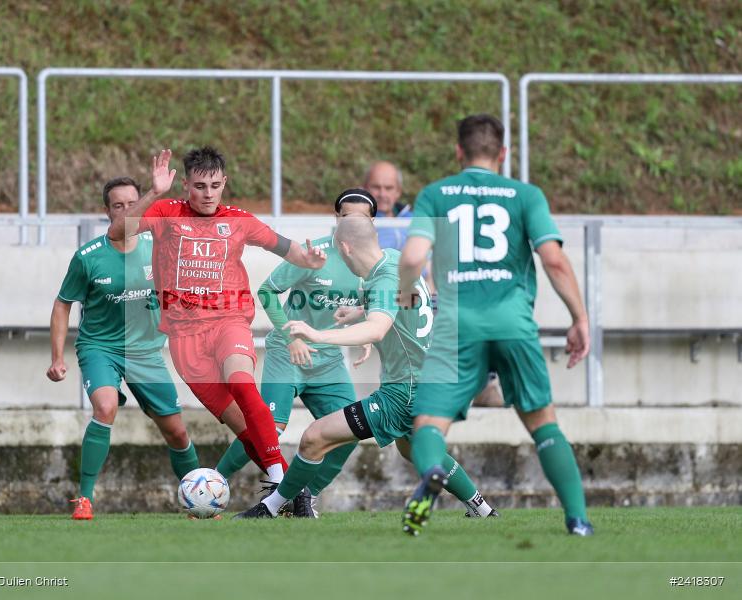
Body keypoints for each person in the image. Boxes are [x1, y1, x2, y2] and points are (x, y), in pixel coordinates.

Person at [398, 114, 593, 536]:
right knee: (542, 421)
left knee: (428, 424)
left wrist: (403, 290)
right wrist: (579, 317)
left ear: (458, 151)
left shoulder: (435, 194)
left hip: (455, 324)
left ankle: (433, 473)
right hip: (512, 322)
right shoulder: (526, 195)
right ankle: (577, 519)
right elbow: (554, 260)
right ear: (503, 154)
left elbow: (413, 258)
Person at [235, 210, 496, 520]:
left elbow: (378, 328)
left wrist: (317, 333)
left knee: (314, 437)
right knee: (412, 449)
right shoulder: (396, 261)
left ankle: (271, 508)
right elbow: (397, 301)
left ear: (344, 247)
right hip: (430, 383)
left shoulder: (384, 278)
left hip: (403, 393)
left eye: (338, 252)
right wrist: (358, 310)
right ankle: (482, 508)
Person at [109, 147, 327, 494]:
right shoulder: (166, 211)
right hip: (184, 339)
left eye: (214, 185)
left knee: (241, 383)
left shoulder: (238, 221)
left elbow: (290, 250)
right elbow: (118, 233)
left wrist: (310, 259)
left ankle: (279, 480)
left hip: (229, 321)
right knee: (243, 427)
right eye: (199, 186)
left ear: (224, 183)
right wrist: (153, 192)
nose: (207, 193)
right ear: (185, 186)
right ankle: (294, 494)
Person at [213, 190, 374, 517]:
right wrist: (292, 338)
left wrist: (367, 333)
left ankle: (303, 497)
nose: (353, 223)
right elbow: (267, 293)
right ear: (337, 219)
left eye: (361, 218)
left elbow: (366, 305)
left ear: (371, 221)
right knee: (270, 427)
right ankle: (209, 486)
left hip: (328, 361)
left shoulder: (371, 262)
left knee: (352, 432)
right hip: (288, 354)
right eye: (347, 217)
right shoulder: (314, 253)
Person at [48, 176, 199, 521]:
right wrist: (57, 357)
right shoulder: (88, 257)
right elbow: (62, 304)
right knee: (104, 408)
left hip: (146, 352)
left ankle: (197, 500)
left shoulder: (159, 247)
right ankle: (84, 499)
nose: (128, 211)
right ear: (107, 212)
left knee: (176, 431)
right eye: (119, 206)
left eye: (133, 204)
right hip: (101, 348)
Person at [364, 161, 412, 250]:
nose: (382, 194)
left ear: (398, 191)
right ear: (365, 188)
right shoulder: (356, 222)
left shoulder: (413, 219)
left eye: (388, 188)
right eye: (376, 187)